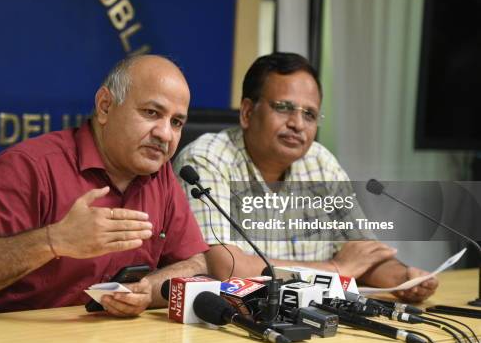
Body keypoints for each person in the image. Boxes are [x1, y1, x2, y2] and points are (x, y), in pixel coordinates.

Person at [0, 55, 208, 317]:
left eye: (176, 122)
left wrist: (149, 291)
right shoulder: (28, 167)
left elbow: (196, 264)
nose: (165, 134)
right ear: (105, 106)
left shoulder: (160, 175)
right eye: (151, 113)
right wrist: (54, 240)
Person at [173, 52, 438, 302]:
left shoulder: (320, 163)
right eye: (284, 108)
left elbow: (362, 255)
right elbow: (227, 269)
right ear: (247, 112)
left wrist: (404, 279)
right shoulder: (206, 160)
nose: (298, 124)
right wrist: (336, 268)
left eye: (309, 114)